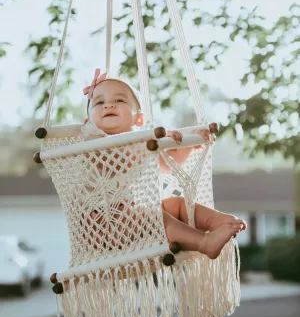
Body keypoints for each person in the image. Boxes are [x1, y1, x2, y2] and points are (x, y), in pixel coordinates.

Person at [81, 69, 246, 260]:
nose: (108, 104)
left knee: (176, 204)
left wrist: (187, 146)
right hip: (103, 226)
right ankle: (204, 243)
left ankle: (220, 223)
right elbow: (118, 158)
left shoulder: (140, 144)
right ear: (88, 120)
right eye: (99, 102)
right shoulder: (92, 142)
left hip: (131, 219)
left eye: (119, 100)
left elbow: (168, 165)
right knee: (156, 217)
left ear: (139, 119)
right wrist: (154, 141)